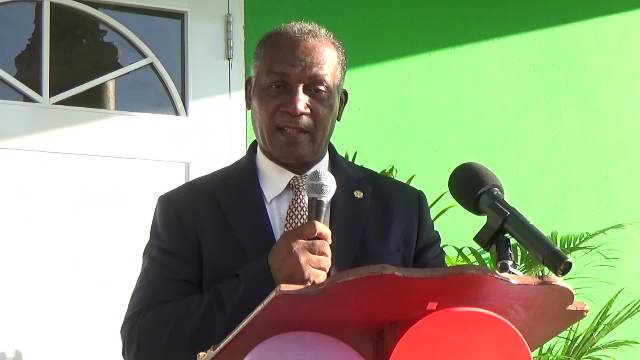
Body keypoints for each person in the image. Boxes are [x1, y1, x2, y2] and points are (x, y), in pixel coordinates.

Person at [121, 21, 444, 360]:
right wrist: (266, 278)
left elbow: (438, 331)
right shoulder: (187, 210)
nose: (297, 105)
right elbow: (144, 343)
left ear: (341, 104)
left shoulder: (402, 210)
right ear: (249, 94)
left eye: (317, 90)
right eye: (278, 85)